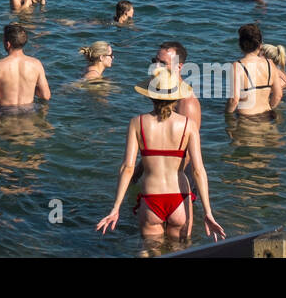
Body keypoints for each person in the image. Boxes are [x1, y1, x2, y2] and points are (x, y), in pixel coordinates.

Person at [96, 67, 224, 242]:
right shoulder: (188, 125)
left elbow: (127, 168)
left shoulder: (137, 123)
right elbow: (198, 170)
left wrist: (115, 208)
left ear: (150, 95)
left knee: (149, 250)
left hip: (151, 198)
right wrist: (208, 213)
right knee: (180, 251)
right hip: (180, 197)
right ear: (176, 97)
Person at [227, 23, 285, 116]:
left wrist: (227, 116)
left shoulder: (237, 66)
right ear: (260, 45)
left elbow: (234, 100)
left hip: (246, 120)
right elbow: (278, 95)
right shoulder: (270, 64)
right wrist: (269, 108)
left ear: (240, 45)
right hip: (267, 117)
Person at [0, 24, 51, 108]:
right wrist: (31, 88)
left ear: (7, 44)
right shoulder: (36, 64)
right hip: (29, 113)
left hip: (6, 113)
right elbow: (46, 95)